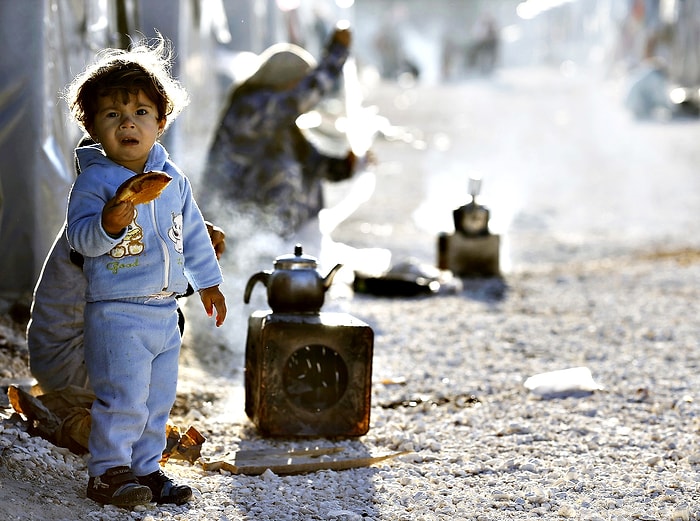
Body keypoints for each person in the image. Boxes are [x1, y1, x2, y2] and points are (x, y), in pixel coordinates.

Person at [62, 35, 226, 507]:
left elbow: (192, 234)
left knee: (157, 400)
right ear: (92, 126)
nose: (127, 123)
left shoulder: (173, 180)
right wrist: (111, 220)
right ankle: (107, 472)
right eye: (112, 115)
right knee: (123, 397)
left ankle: (146, 468)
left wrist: (209, 282)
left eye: (139, 113)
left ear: (160, 122)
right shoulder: (95, 180)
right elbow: (81, 239)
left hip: (164, 311)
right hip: (116, 312)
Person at [201, 22, 360, 244]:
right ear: (282, 78)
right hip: (238, 227)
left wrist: (346, 166)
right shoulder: (251, 108)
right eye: (298, 81)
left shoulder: (280, 122)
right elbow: (306, 95)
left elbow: (311, 163)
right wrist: (337, 53)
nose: (299, 88)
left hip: (282, 237)